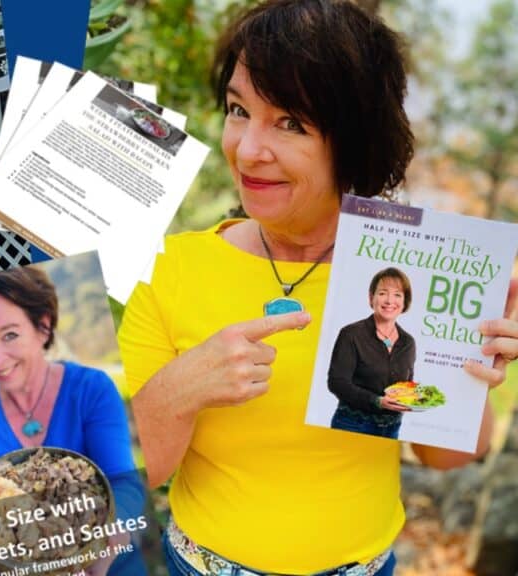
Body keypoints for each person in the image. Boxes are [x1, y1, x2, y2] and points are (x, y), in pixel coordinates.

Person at [116, 1, 518, 575]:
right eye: (238, 110)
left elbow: (448, 455)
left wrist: (469, 370)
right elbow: (134, 475)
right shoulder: (171, 268)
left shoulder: (411, 272)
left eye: (291, 123)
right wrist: (181, 389)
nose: (248, 149)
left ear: (354, 142)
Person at [0, 267, 146, 576]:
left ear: (43, 328)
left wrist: (108, 536)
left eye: (9, 335)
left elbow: (125, 483)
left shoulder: (91, 389)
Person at [328, 267, 417, 440]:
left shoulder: (408, 342)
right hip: (352, 425)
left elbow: (406, 385)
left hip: (392, 429)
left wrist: (414, 396)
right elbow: (337, 383)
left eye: (398, 294)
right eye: (383, 293)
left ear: (405, 302)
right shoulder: (351, 334)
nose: (390, 300)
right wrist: (377, 401)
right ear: (371, 298)